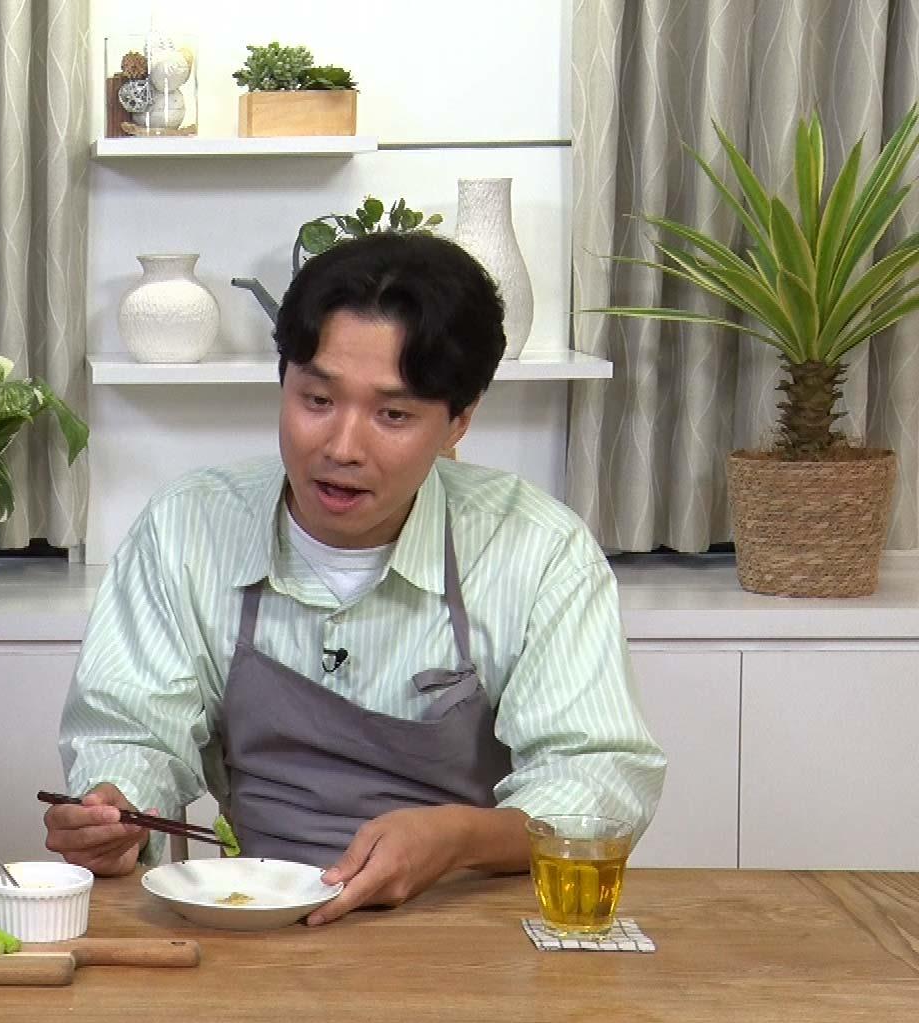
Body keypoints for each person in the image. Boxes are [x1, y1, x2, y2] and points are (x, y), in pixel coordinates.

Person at [46, 233, 665, 925]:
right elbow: (131, 735)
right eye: (316, 400)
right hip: (258, 919)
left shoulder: (536, 548)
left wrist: (459, 838)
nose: (342, 448)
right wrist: (115, 812)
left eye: (393, 414)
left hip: (464, 919)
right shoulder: (186, 527)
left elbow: (597, 781)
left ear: (458, 421)